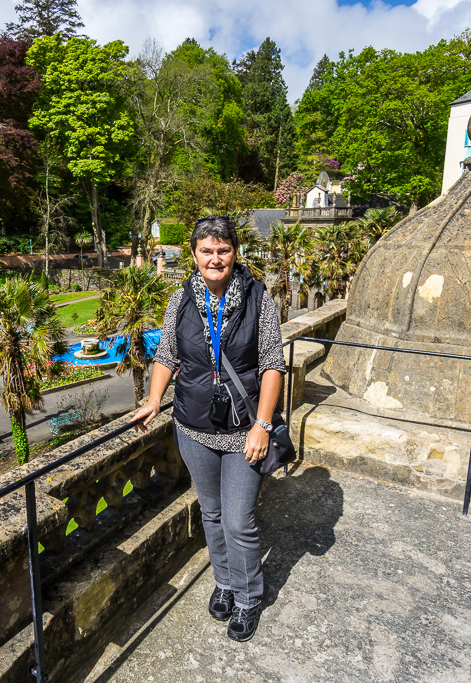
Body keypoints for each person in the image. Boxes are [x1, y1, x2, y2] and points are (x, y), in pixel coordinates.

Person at [131, 215, 285, 642]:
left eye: (223, 250)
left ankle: (250, 596)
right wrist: (153, 400)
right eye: (206, 251)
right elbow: (166, 353)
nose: (215, 258)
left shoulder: (259, 299)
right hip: (193, 427)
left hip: (243, 432)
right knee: (212, 513)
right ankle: (226, 583)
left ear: (235, 253)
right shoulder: (180, 300)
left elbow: (273, 364)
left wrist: (262, 424)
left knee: (238, 521)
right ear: (195, 255)